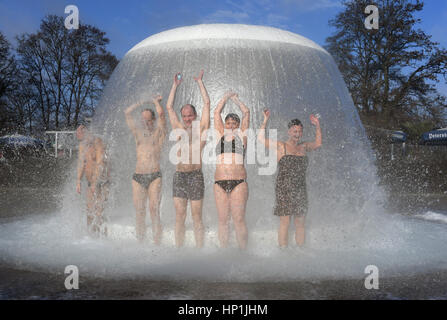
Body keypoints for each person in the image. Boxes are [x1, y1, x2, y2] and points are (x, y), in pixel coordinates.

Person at [258, 110, 322, 248]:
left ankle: (300, 251)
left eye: (300, 132)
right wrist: (265, 120)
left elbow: (318, 144)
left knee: (300, 222)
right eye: (295, 131)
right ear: (289, 132)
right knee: (285, 222)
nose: (297, 134)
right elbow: (261, 140)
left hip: (300, 188)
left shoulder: (304, 147)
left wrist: (317, 125)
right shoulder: (281, 146)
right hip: (284, 189)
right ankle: (283, 251)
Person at [166, 70, 210, 248]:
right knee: (180, 216)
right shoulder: (178, 128)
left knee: (197, 216)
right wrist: (175, 86)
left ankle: (199, 251)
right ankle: (179, 250)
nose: (187, 119)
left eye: (190, 115)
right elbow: (169, 107)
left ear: (195, 115)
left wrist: (200, 82)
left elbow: (207, 103)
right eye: (184, 116)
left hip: (195, 176)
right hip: (179, 176)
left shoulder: (202, 129)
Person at [125, 95, 167, 244]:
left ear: (153, 120)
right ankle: (140, 242)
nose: (145, 122)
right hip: (138, 177)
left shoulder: (159, 133)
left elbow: (162, 115)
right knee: (139, 212)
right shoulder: (137, 133)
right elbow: (127, 113)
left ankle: (157, 243)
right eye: (143, 119)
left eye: (148, 119)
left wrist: (155, 102)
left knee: (154, 209)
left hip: (154, 176)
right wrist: (142, 101)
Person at [214, 92, 250, 250]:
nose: (231, 126)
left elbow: (246, 113)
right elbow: (216, 113)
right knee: (222, 220)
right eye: (228, 123)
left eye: (234, 123)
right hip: (219, 183)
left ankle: (243, 252)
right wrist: (225, 97)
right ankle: (224, 252)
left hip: (239, 183)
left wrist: (235, 99)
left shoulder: (242, 136)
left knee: (238, 219)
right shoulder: (220, 135)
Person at [76, 124, 110, 237]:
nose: (77, 136)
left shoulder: (98, 142)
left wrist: (95, 183)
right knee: (89, 210)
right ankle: (90, 236)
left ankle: (102, 236)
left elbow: (101, 163)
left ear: (85, 132)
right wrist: (78, 180)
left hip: (102, 182)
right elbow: (81, 163)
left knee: (99, 211)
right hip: (91, 183)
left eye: (79, 133)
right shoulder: (82, 145)